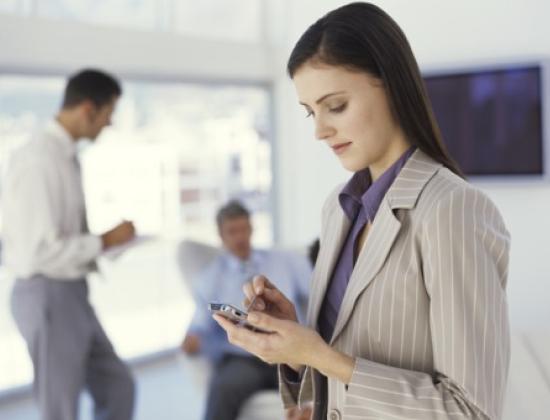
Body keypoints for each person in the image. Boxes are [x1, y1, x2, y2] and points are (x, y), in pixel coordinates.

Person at [213, 3, 511, 420]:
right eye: (310, 112)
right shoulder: (338, 210)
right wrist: (294, 347)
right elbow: (340, 386)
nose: (319, 131)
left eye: (335, 106)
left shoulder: (452, 209)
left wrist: (319, 354)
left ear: (392, 86)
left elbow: (471, 411)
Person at [3, 69, 136, 420]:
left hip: (72, 292)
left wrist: (109, 244)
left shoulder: (64, 156)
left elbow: (60, 238)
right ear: (88, 109)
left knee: (118, 386)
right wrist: (103, 240)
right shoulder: (38, 160)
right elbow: (38, 252)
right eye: (108, 113)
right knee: (60, 410)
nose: (109, 123)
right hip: (48, 293)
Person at [181, 200, 311, 420]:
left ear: (251, 229)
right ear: (221, 235)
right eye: (232, 231)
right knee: (224, 388)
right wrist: (193, 340)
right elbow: (200, 326)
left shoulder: (284, 261)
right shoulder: (210, 278)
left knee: (315, 390)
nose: (240, 237)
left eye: (244, 229)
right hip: (243, 359)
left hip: (287, 351)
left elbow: (321, 289)